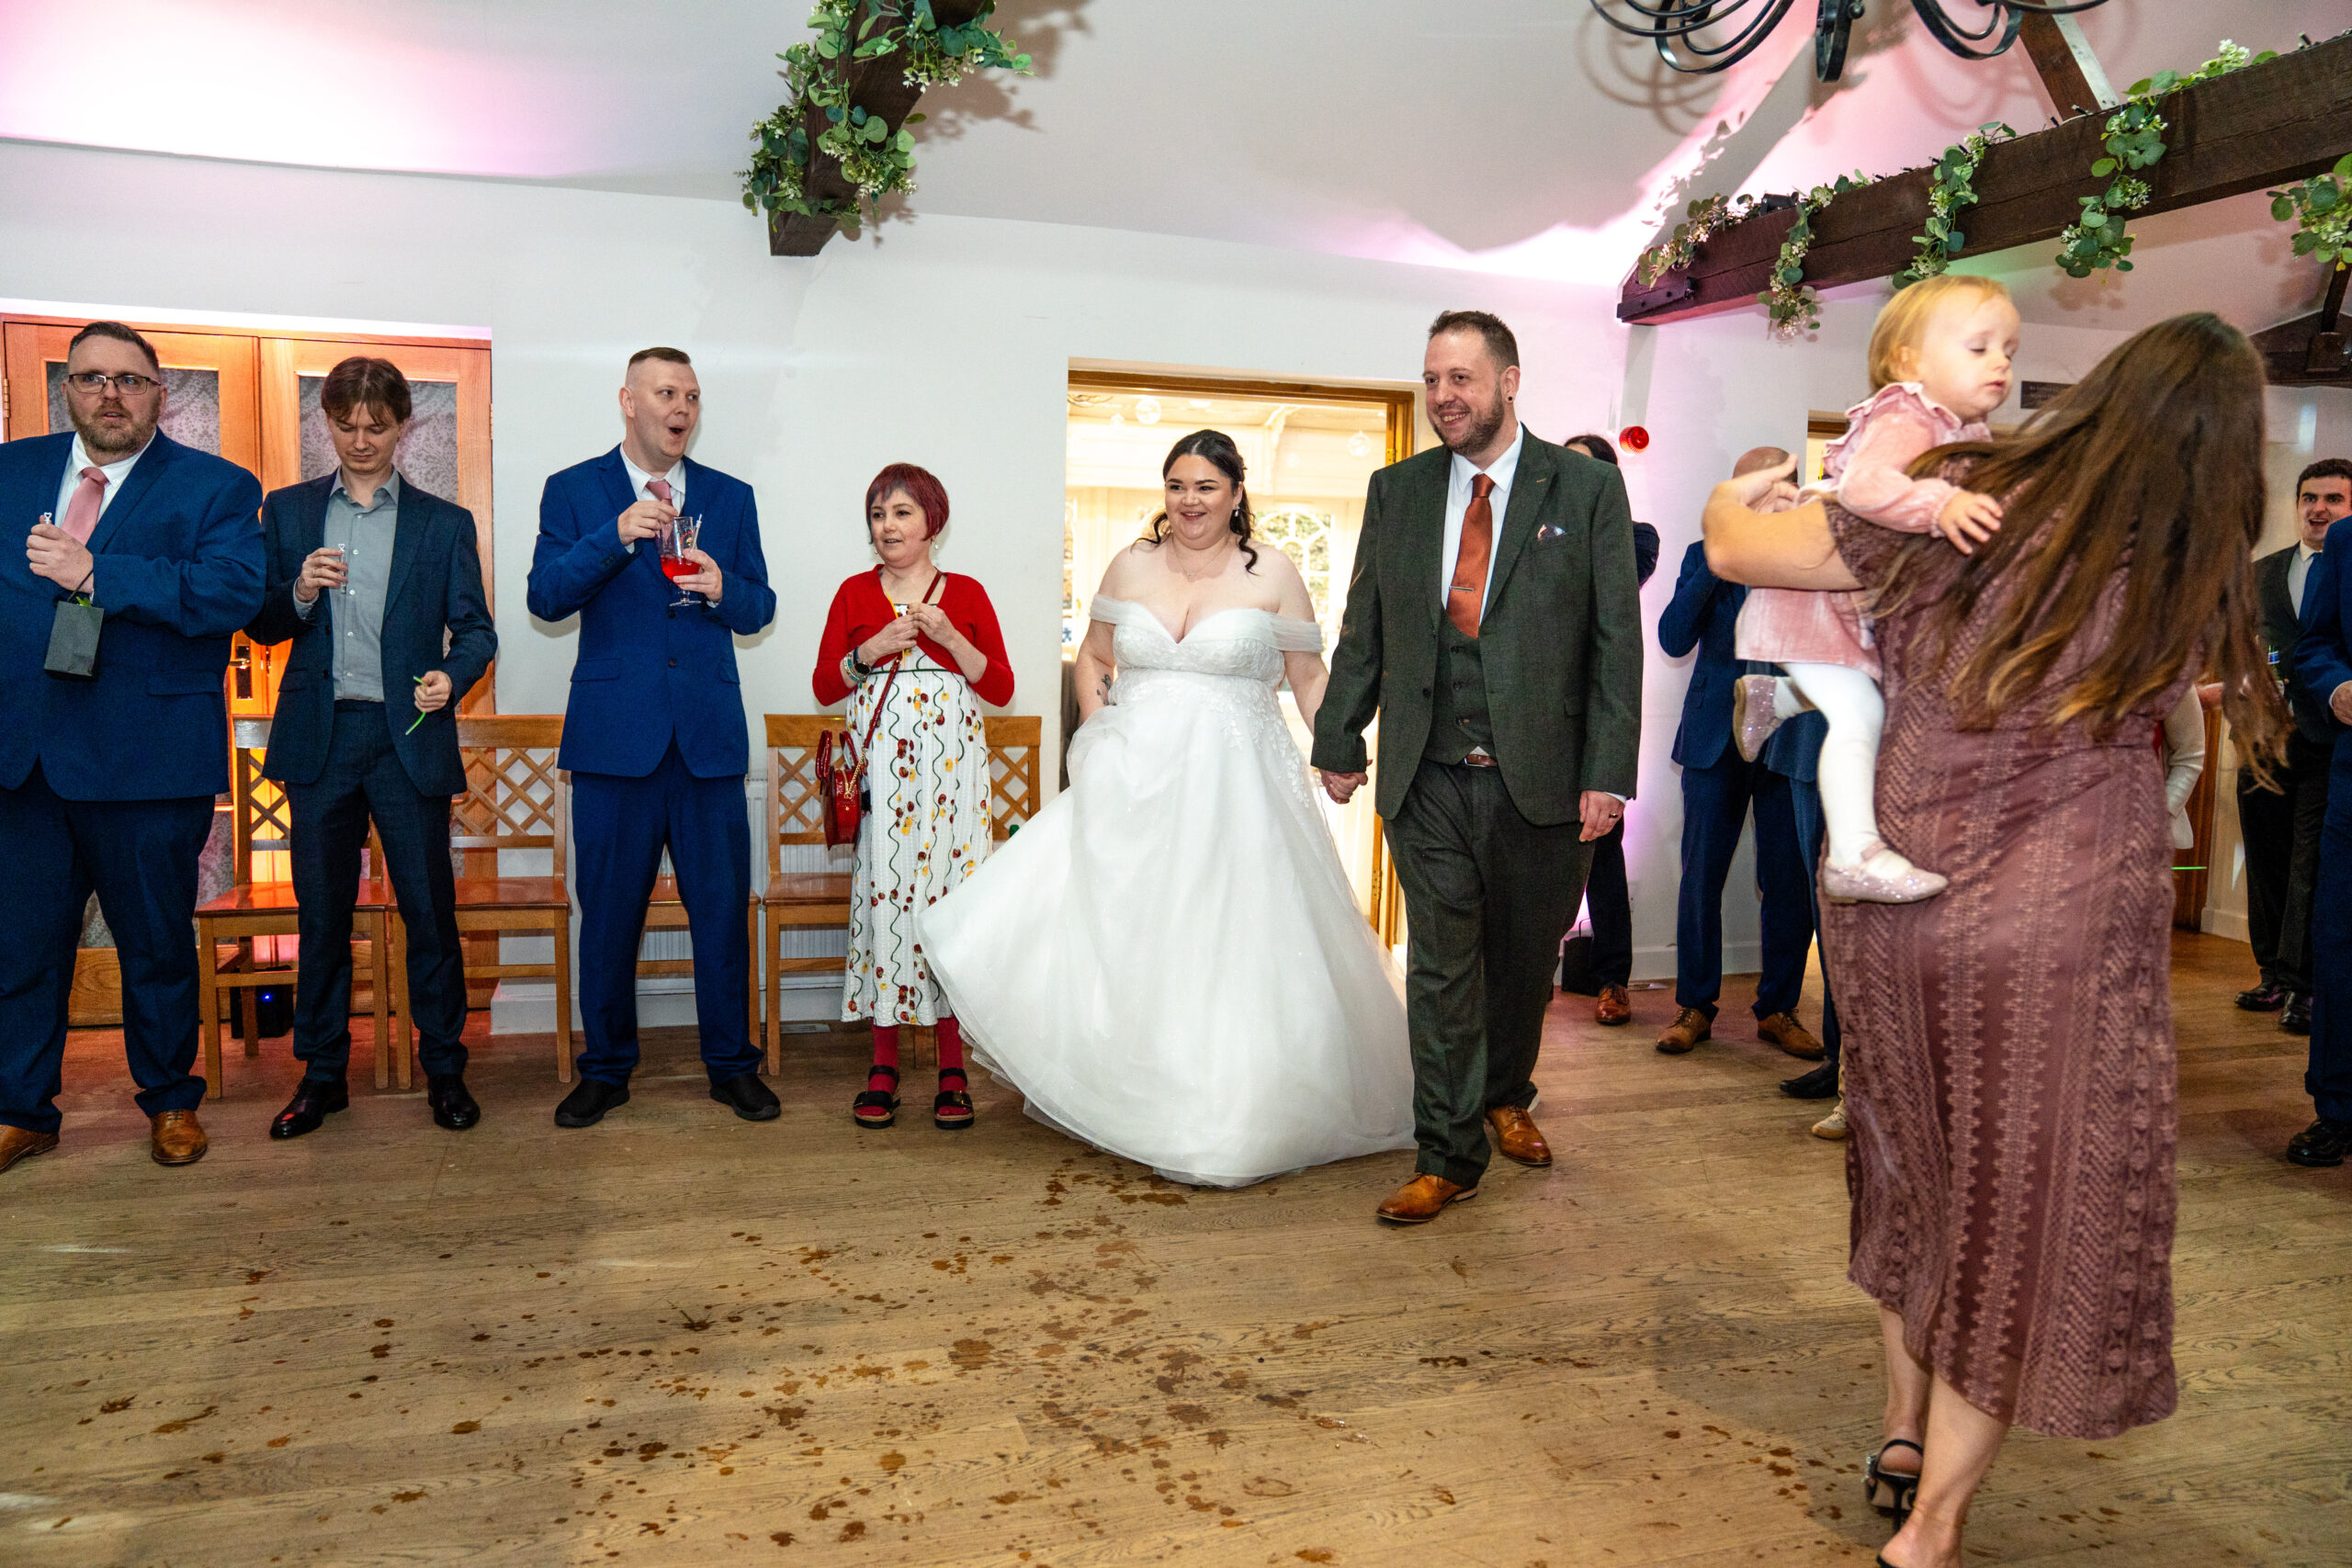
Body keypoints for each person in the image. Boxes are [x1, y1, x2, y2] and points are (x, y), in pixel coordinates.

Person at [1703, 312, 2284, 1568]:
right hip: (2066, 908)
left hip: (1904, 878)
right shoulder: (2189, 564)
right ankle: (1933, 1526)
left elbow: (1738, 545)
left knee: (1910, 1159)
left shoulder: (1963, 490)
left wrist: (1728, 488)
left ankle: (1901, 1428)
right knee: (2024, 1202)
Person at [920, 429, 1414, 1186]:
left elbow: (1308, 675)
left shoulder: (1274, 572)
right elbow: (1095, 655)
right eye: (1177, 485)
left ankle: (1227, 1108)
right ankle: (1127, 1091)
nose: (1190, 501)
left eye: (1206, 486)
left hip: (1238, 790)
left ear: (1236, 493)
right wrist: (1096, 735)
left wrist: (1337, 749)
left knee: (1226, 941)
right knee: (1125, 930)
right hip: (1133, 780)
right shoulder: (1131, 563)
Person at [1312, 310, 1644, 1225]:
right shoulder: (1398, 490)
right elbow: (1364, 626)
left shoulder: (1584, 488)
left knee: (1525, 961)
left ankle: (1504, 1093)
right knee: (1440, 968)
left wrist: (1608, 773)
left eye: (1460, 378)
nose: (1442, 396)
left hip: (1545, 776)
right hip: (1426, 773)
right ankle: (1447, 1154)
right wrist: (1339, 736)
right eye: (1431, 379)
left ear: (1508, 382)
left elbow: (1616, 640)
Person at [0, 321, 264, 1172]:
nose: (109, 394)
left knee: (155, 948)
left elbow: (231, 591)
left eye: (130, 379)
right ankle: (20, 1110)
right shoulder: (8, 473)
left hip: (147, 763)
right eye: (91, 378)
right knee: (21, 948)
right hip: (25, 761)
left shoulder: (217, 487)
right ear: (66, 390)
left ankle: (171, 1101)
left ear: (160, 394)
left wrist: (95, 574)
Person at [244, 357, 496, 1140]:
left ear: (402, 426)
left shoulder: (444, 523)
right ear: (326, 421)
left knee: (429, 911)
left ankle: (445, 1068)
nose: (360, 440)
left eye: (376, 427)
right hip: (321, 737)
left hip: (406, 736)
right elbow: (261, 622)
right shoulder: (287, 512)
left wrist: (451, 677)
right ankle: (322, 1075)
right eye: (346, 425)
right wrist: (298, 592)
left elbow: (477, 631)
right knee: (321, 916)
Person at [526, 347, 777, 1129]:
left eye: (693, 396)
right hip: (613, 741)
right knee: (607, 917)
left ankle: (732, 1066)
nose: (683, 408)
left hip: (707, 740)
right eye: (667, 393)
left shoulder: (731, 497)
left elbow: (761, 606)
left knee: (721, 914)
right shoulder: (574, 490)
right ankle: (604, 1070)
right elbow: (545, 597)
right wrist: (614, 535)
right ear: (628, 400)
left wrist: (724, 587)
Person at [1736, 275, 2021, 903]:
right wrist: (1940, 503)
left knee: (1879, 693)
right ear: (1909, 362)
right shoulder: (1908, 413)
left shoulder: (1965, 432)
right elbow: (1866, 485)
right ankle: (1853, 854)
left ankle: (1775, 696)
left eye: (2009, 349)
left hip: (1847, 603)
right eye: (1979, 347)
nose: (2000, 362)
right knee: (1859, 713)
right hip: (1813, 602)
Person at [812, 463, 1013, 1132]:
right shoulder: (853, 593)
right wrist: (870, 649)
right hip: (885, 780)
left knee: (950, 906)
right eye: (878, 514)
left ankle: (954, 1067)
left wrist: (949, 636)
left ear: (933, 522)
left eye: (901, 512)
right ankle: (883, 1065)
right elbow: (825, 685)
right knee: (886, 898)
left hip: (953, 782)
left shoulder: (968, 593)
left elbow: (1002, 688)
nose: (887, 526)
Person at [1653, 446, 1828, 1066]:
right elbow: (1673, 637)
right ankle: (1694, 1007)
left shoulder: (1813, 557)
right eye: (1742, 490)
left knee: (1789, 879)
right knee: (1701, 876)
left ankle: (1778, 1007)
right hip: (1714, 738)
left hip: (1789, 741)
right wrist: (1718, 558)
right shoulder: (1702, 555)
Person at [2237, 457, 2346, 1036]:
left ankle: (2303, 988)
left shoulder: (2348, 570)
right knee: (2266, 861)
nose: (2318, 509)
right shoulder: (2261, 572)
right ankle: (2272, 975)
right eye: (2309, 498)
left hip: (2328, 741)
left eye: (2334, 499)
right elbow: (2236, 646)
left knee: (2311, 865)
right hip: (2263, 741)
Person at [1558, 433, 1659, 1026]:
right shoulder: (1534, 532)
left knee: (1603, 855)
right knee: (1535, 854)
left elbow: (1607, 587)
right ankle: (1530, 974)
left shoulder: (1637, 537)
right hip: (1540, 716)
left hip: (1596, 716)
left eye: (1581, 470)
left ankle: (1613, 980)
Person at [2289, 468, 2352, 1168]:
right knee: (2339, 944)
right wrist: (2337, 688)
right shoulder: (2346, 543)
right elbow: (2314, 643)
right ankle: (2337, 1108)